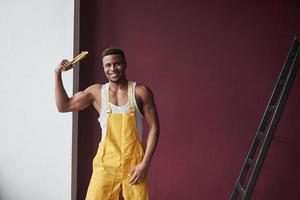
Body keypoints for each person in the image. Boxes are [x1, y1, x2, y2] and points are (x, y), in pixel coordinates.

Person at [54, 47, 160, 200]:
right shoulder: (96, 92)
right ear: (103, 67)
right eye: (108, 65)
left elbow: (155, 128)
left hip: (134, 164)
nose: (113, 68)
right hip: (105, 164)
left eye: (117, 64)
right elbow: (63, 106)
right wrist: (58, 74)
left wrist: (145, 164)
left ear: (125, 64)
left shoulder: (140, 92)